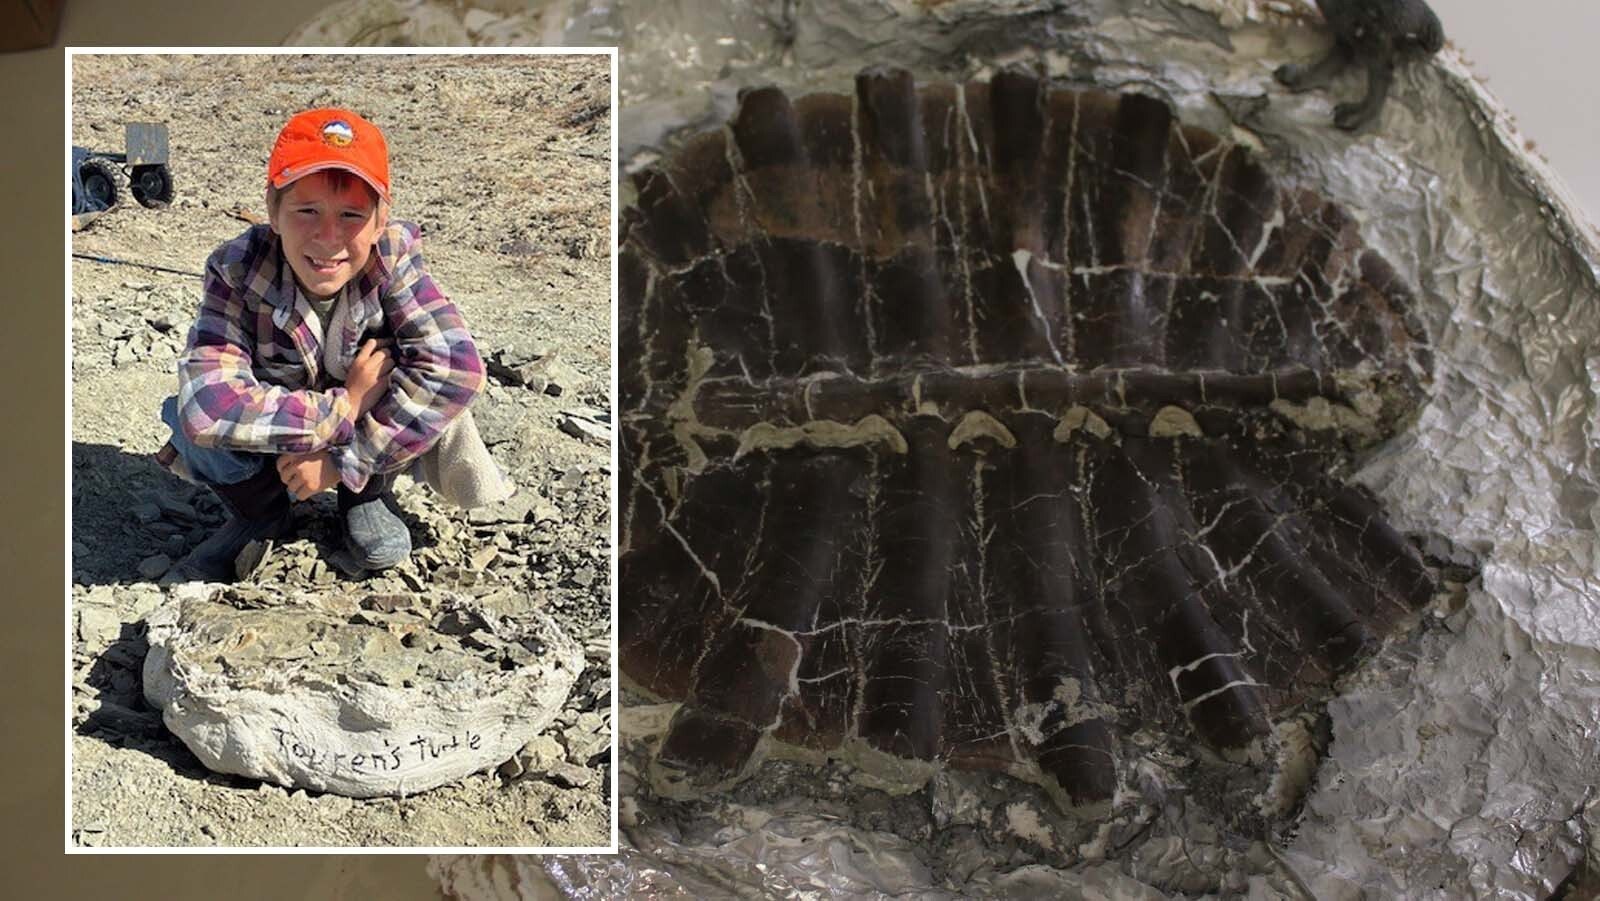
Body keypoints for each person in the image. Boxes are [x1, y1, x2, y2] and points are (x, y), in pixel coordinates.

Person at [156, 107, 494, 582]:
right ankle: (262, 514)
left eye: (352, 215)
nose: (328, 237)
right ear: (273, 211)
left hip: (338, 442)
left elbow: (455, 369)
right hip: (295, 431)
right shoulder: (236, 268)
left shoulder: (393, 258)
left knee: (416, 387)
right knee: (189, 423)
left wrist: (343, 463)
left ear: (380, 221)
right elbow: (210, 406)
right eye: (306, 211)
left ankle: (365, 495)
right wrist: (348, 406)